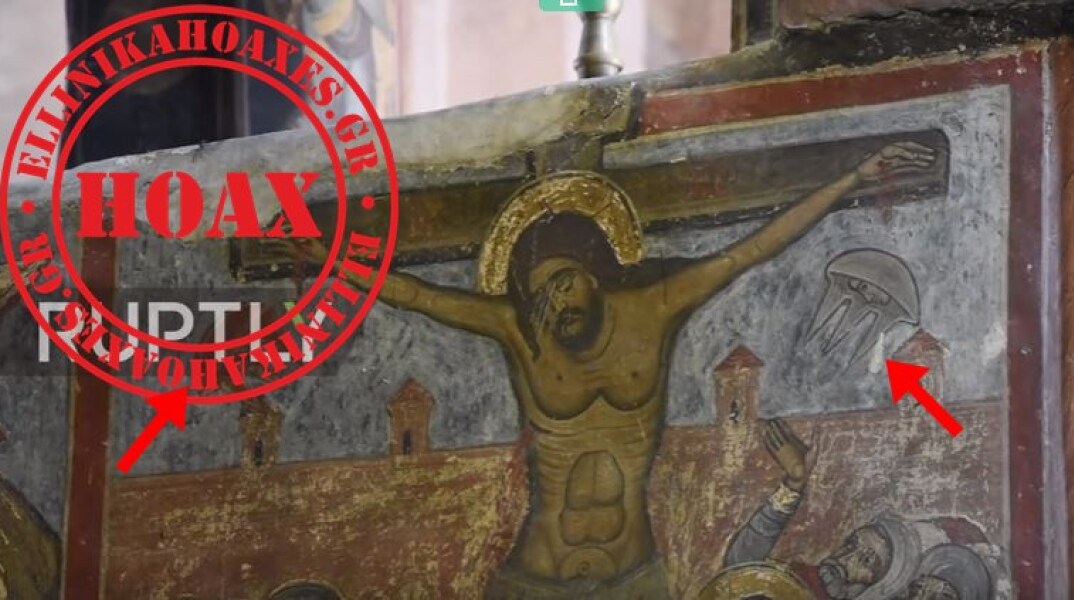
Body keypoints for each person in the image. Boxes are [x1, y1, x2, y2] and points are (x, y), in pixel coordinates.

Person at [289, 142, 936, 598]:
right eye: (540, 295)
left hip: (633, 578)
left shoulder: (655, 308)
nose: (555, 305)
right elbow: (417, 296)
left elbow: (751, 250)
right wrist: (328, 258)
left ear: (597, 272)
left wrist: (853, 178)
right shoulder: (521, 329)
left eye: (564, 283)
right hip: (535, 579)